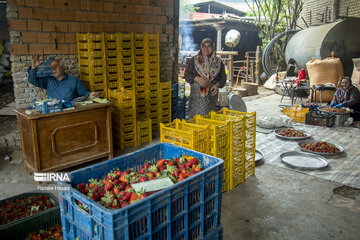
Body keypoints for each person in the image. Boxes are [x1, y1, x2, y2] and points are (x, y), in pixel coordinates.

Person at [184, 38, 227, 119]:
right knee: (195, 119)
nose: (206, 48)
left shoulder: (218, 62)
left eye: (209, 46)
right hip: (196, 98)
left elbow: (223, 78)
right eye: (204, 46)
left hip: (211, 97)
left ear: (213, 47)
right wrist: (197, 78)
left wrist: (217, 85)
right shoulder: (194, 60)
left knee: (209, 119)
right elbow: (186, 75)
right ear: (201, 47)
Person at [28, 55, 98, 102]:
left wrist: (90, 94)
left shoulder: (73, 80)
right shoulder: (48, 80)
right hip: (54, 112)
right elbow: (32, 80)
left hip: (69, 111)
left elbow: (84, 93)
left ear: (62, 67)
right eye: (52, 67)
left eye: (55, 66)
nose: (53, 69)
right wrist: (34, 67)